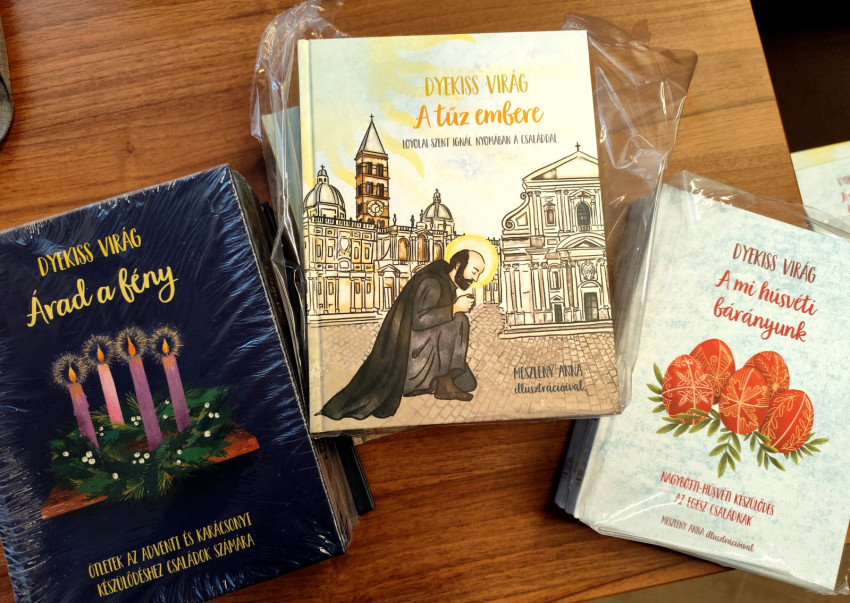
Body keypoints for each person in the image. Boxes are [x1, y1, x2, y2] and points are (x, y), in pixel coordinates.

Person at [318, 249, 485, 420]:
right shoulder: (433, 283)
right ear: (458, 265)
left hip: (421, 356)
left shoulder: (444, 281)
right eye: (474, 272)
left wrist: (453, 309)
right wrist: (454, 308)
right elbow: (419, 321)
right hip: (409, 365)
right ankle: (444, 384)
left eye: (479, 274)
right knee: (459, 319)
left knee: (467, 379)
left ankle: (444, 382)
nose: (475, 278)